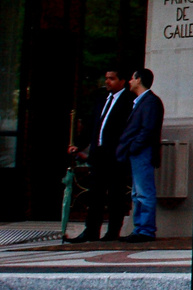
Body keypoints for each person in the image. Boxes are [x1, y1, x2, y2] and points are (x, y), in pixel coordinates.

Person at [65, 69, 135, 243]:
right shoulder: (102, 99)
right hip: (99, 154)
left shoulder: (128, 101)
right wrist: (79, 146)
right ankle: (91, 231)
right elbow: (92, 126)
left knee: (115, 196)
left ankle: (112, 232)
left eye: (112, 79)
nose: (107, 82)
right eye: (106, 78)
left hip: (115, 156)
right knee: (95, 194)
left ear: (122, 81)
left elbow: (129, 130)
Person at [115, 67, 164, 243]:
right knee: (137, 193)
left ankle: (146, 230)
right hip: (139, 152)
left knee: (144, 192)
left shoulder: (150, 102)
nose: (130, 81)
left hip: (143, 152)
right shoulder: (143, 102)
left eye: (132, 78)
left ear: (139, 79)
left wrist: (134, 147)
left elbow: (147, 129)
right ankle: (140, 228)